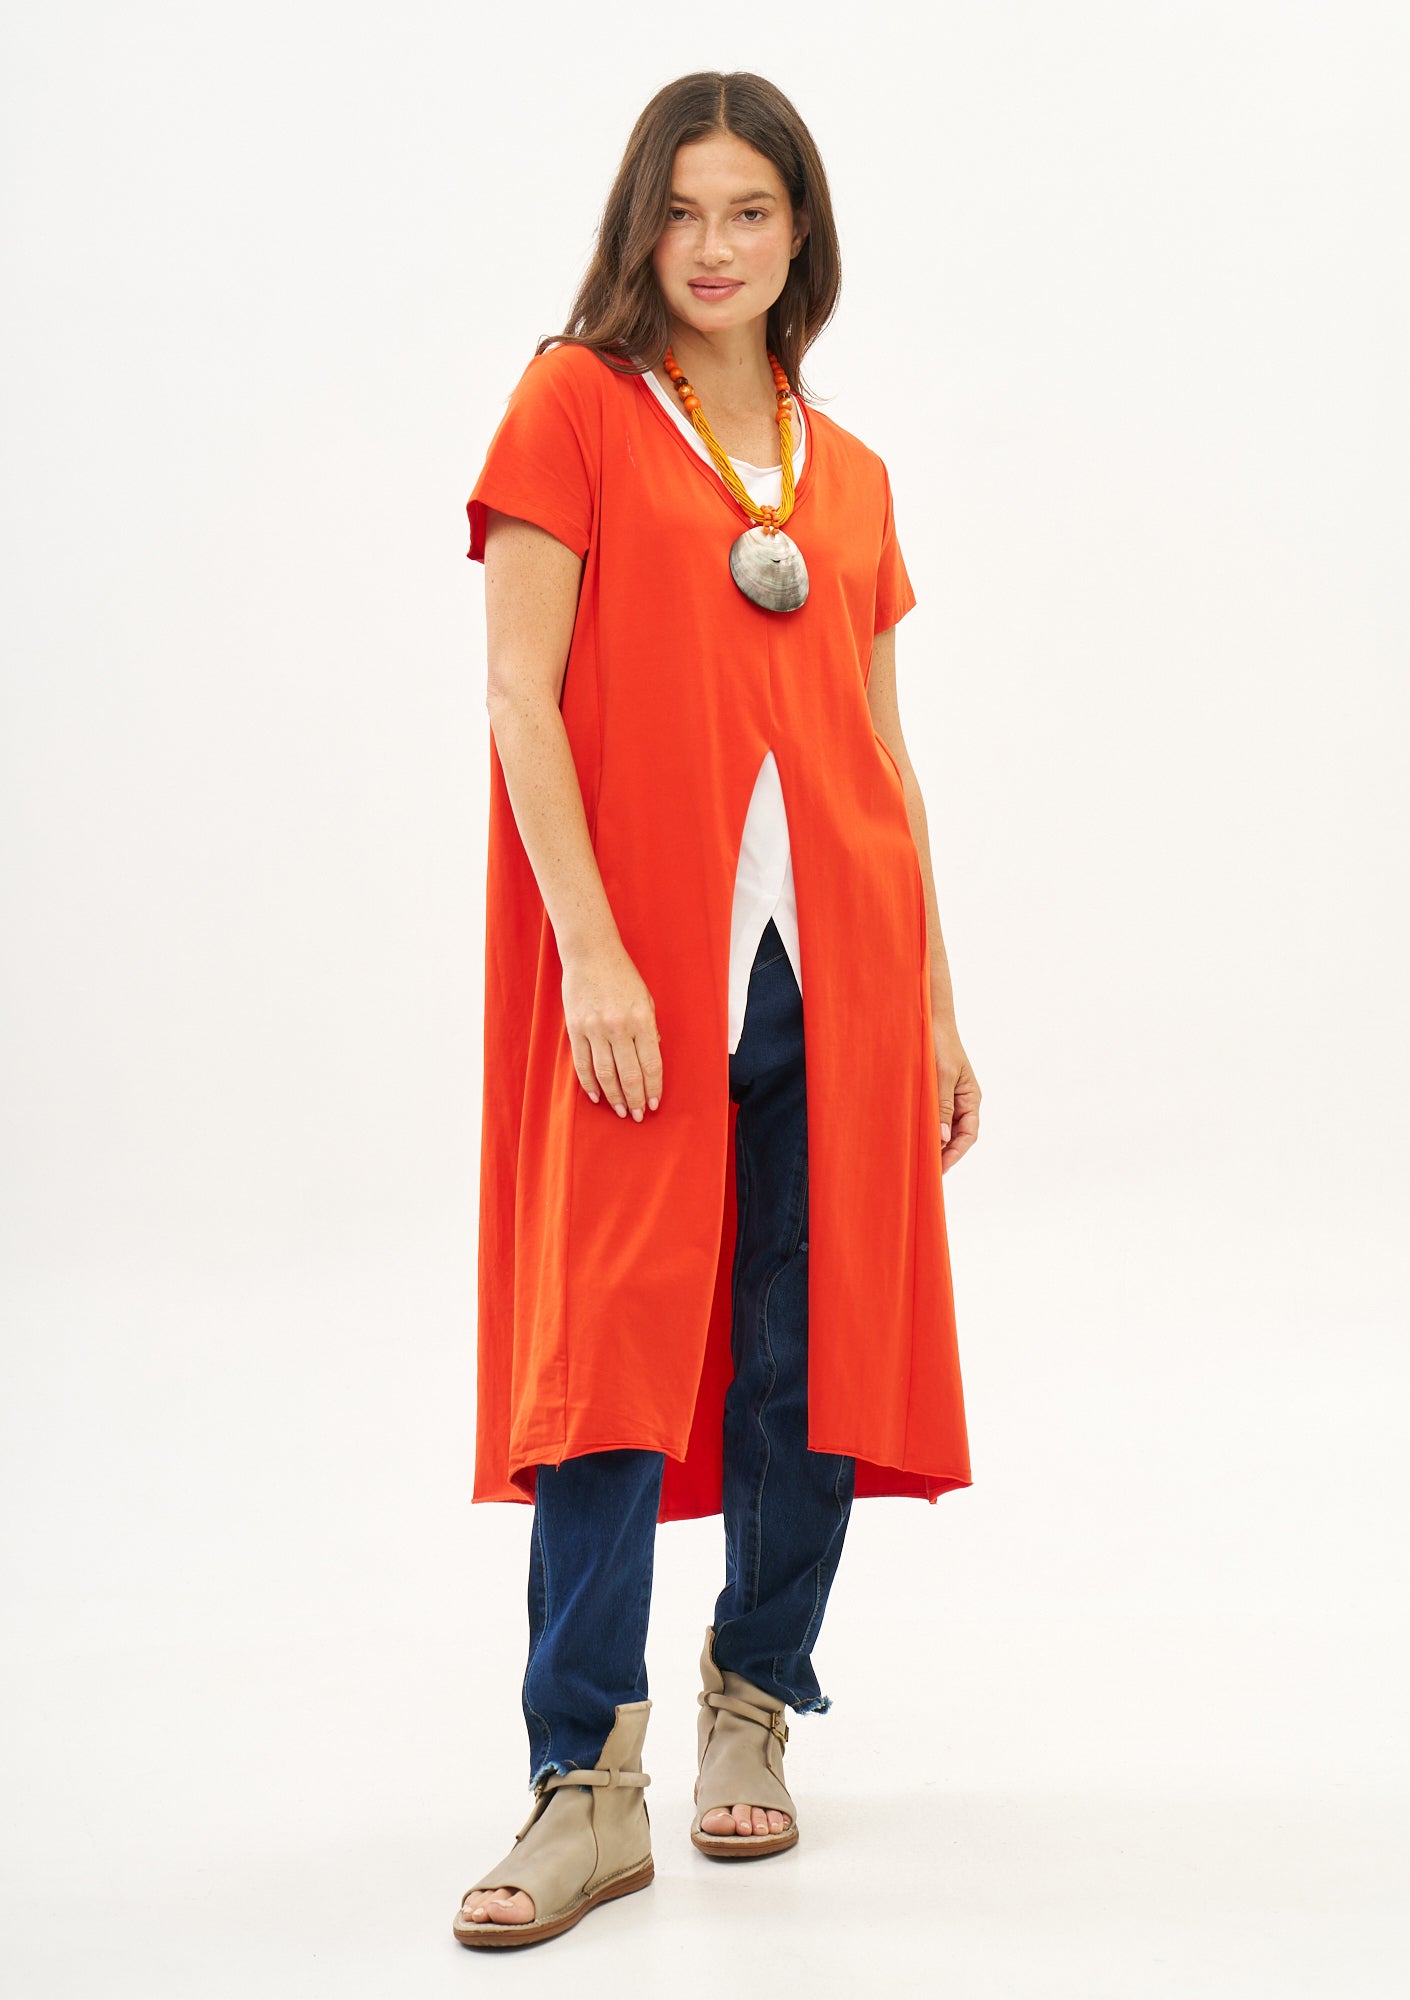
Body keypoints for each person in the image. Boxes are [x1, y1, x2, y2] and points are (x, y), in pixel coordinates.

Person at [452, 70, 980, 1950]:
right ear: (637, 225)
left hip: (838, 969)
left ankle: (754, 1699)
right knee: (608, 1349)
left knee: (802, 1347)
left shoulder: (850, 475)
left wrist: (933, 1006)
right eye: (680, 209)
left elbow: (881, 758)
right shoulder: (575, 406)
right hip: (642, 974)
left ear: (797, 231)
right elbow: (520, 701)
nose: (712, 244)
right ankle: (582, 1784)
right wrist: (592, 951)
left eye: (749, 209)